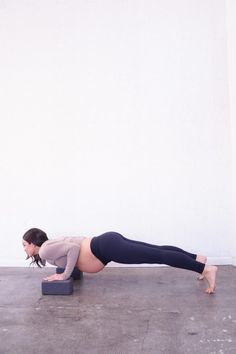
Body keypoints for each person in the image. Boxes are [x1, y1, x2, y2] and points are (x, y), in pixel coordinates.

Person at [22, 228, 217, 294]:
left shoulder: (46, 249)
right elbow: (74, 246)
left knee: (157, 255)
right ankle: (197, 259)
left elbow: (73, 249)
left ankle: (205, 268)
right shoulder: (50, 245)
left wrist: (63, 275)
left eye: (25, 244)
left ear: (33, 243)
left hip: (105, 248)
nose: (24, 248)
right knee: (156, 250)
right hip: (105, 243)